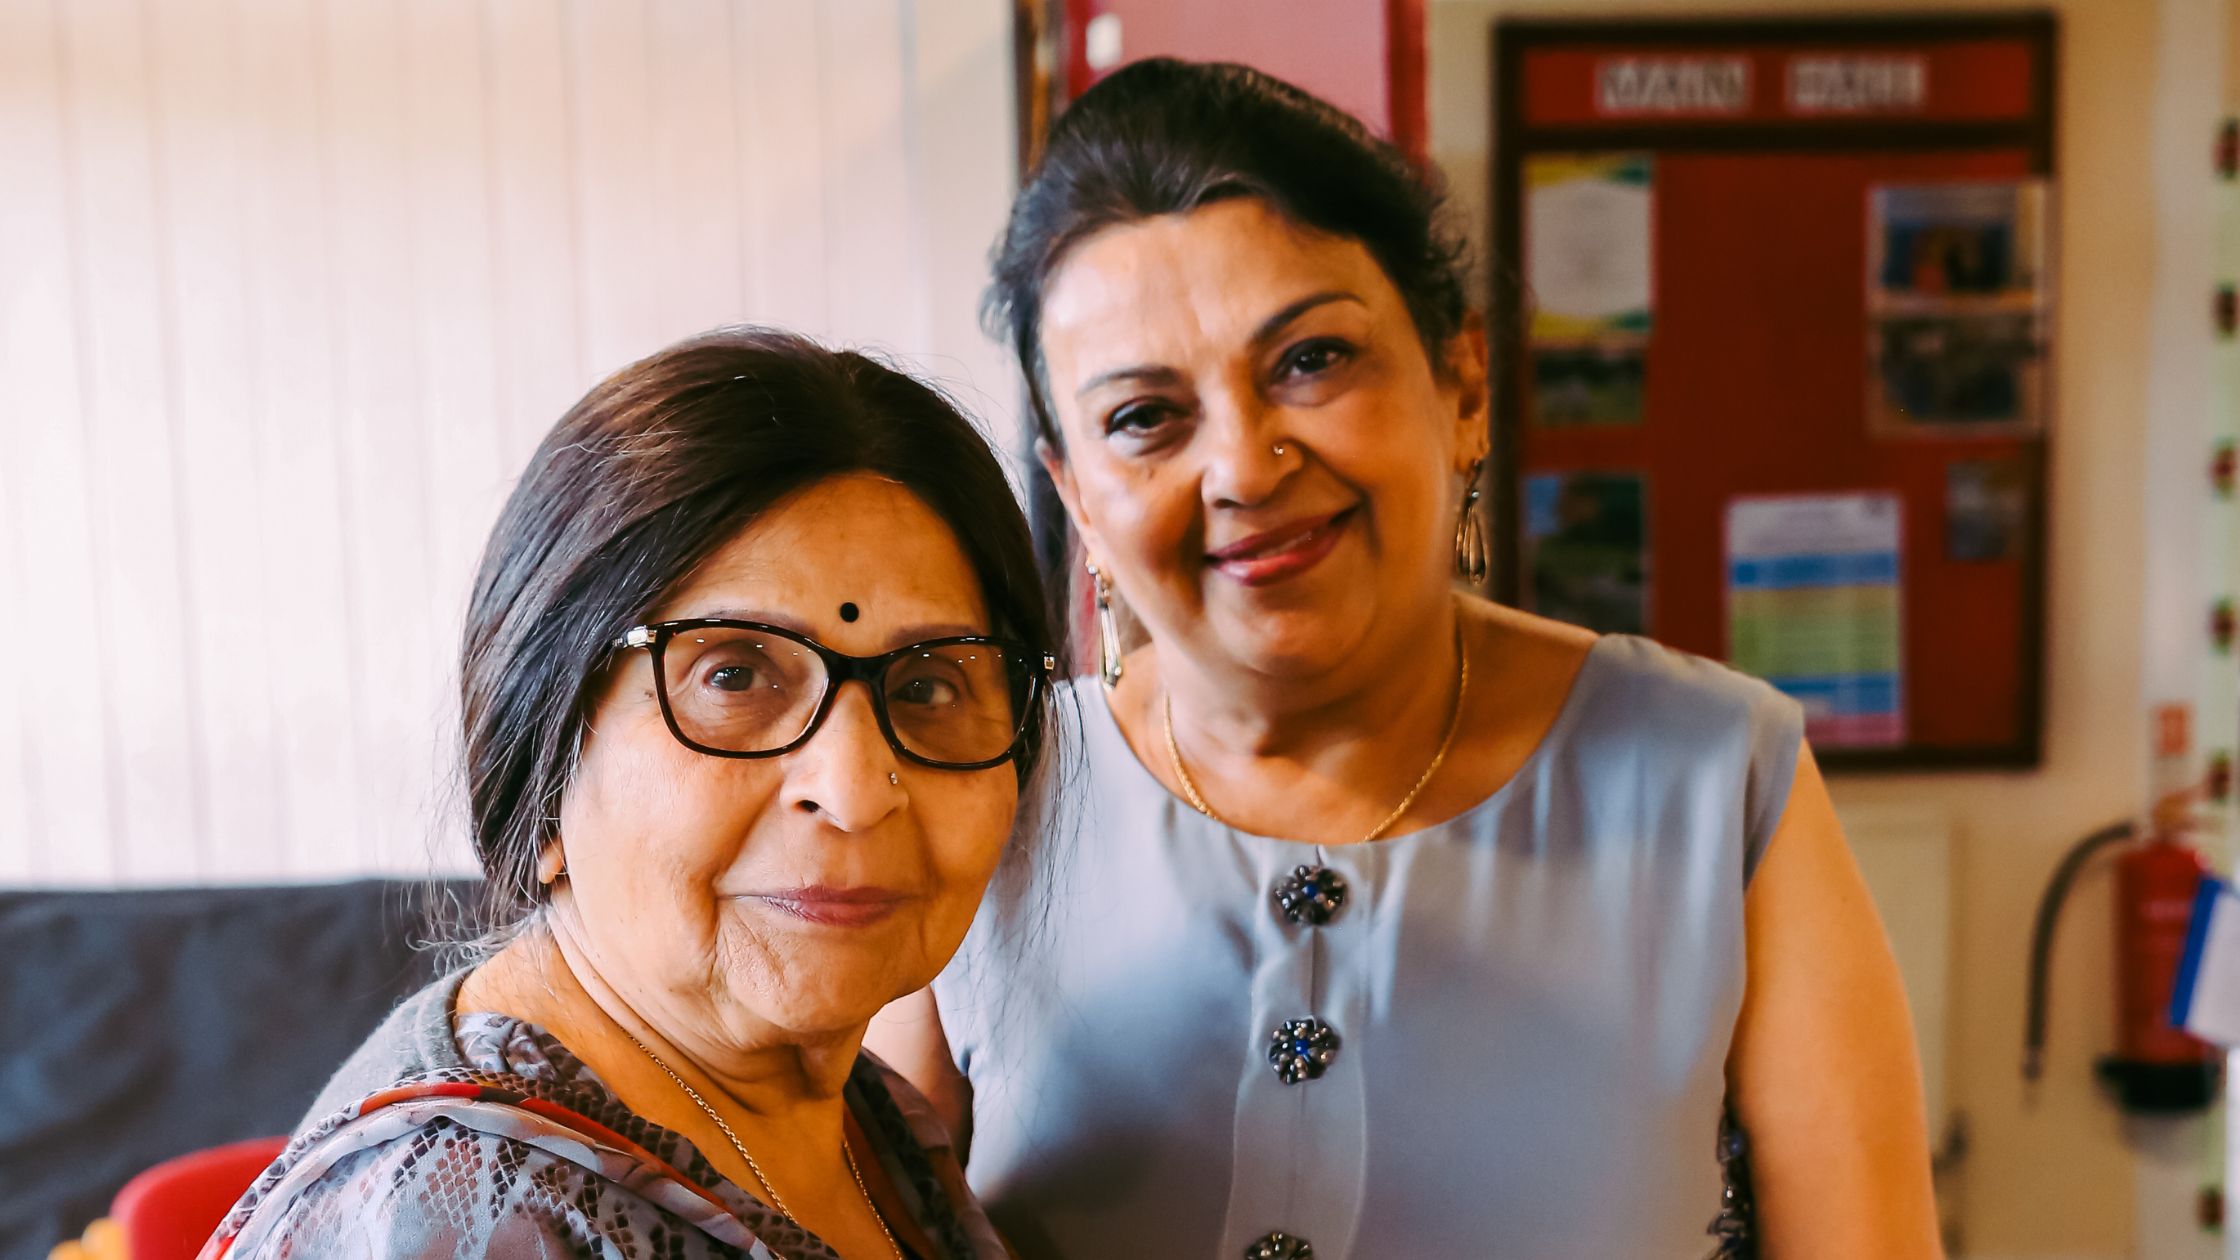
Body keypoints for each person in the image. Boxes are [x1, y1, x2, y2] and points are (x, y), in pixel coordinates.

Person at [866, 60, 1942, 1259]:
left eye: (1309, 362)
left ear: (1461, 383)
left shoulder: (1715, 781)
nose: (1242, 467)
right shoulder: (978, 795)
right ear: (1073, 493)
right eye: (1142, 417)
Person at [207, 329, 1057, 1260]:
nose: (854, 791)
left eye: (928, 685)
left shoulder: (864, 1112)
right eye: (734, 678)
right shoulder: (464, 1223)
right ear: (541, 751)